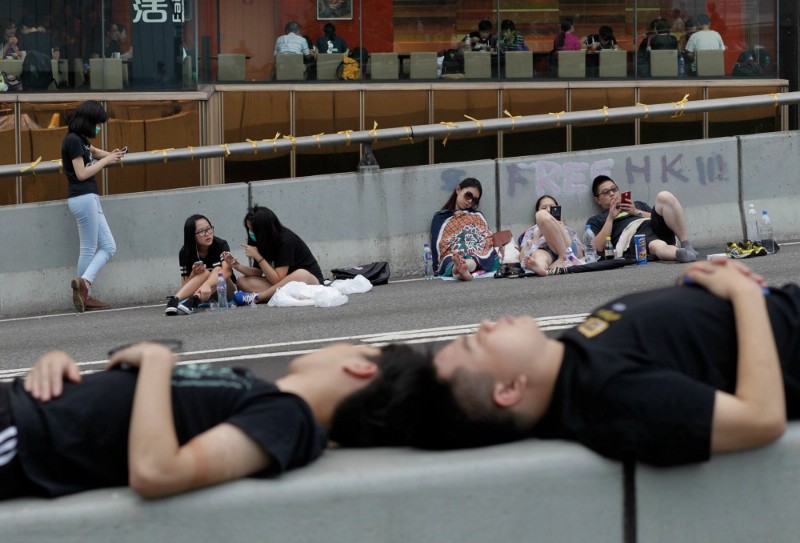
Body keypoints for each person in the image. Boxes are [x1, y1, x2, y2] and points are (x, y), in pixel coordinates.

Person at [343, 259, 800, 468]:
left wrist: (691, 289)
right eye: (476, 343)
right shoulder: (609, 397)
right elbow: (760, 419)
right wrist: (743, 297)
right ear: (509, 390)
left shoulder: (575, 363)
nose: (483, 324)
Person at [0, 338, 425, 500]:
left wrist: (155, 361)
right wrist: (57, 365)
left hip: (21, 436)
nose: (339, 343)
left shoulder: (290, 418)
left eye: (353, 343)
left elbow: (157, 471)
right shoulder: (261, 392)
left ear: (362, 367)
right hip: (21, 408)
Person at [62, 100, 125, 313]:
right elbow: (81, 174)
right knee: (89, 248)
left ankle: (84, 287)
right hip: (83, 197)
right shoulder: (72, 141)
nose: (99, 127)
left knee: (108, 246)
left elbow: (95, 152)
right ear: (88, 121)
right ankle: (84, 293)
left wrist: (111, 155)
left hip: (88, 197)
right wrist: (106, 161)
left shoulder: (80, 139)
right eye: (97, 123)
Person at [223, 205, 324, 304]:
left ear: (264, 230)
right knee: (242, 281)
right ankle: (275, 295)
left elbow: (277, 279)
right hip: (282, 285)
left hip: (309, 282)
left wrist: (258, 256)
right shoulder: (260, 240)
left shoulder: (286, 240)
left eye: (253, 230)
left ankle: (258, 297)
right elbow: (258, 272)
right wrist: (237, 265)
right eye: (249, 229)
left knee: (300, 273)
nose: (250, 232)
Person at [587, 175, 697, 262]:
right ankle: (678, 254)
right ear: (598, 200)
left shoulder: (638, 205)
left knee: (664, 196)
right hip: (634, 235)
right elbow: (598, 247)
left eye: (614, 189)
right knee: (656, 244)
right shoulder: (596, 220)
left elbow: (663, 218)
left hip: (652, 225)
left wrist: (636, 212)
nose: (612, 194)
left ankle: (685, 244)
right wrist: (610, 217)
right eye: (606, 192)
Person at [164, 214, 236, 316]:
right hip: (201, 292)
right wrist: (194, 273)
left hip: (225, 291)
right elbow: (185, 286)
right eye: (201, 231)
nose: (207, 234)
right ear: (191, 235)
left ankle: (194, 300)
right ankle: (175, 301)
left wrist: (207, 284)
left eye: (209, 229)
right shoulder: (185, 252)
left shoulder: (220, 244)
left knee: (217, 269)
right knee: (204, 273)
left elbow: (227, 271)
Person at [430, 178, 499, 281]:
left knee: (481, 254)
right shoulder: (440, 218)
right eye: (468, 195)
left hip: (475, 248)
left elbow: (486, 235)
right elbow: (439, 244)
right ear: (458, 190)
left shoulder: (477, 215)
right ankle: (459, 268)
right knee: (450, 258)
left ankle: (462, 268)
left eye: (474, 200)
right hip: (453, 251)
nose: (470, 201)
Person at [518, 195, 585, 276]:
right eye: (544, 207)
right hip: (546, 251)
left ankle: (562, 257)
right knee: (538, 256)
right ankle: (542, 269)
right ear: (536, 211)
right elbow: (522, 257)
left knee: (541, 215)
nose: (548, 210)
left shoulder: (566, 227)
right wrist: (538, 234)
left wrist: (561, 230)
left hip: (566, 250)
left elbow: (580, 253)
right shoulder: (532, 230)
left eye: (552, 207)